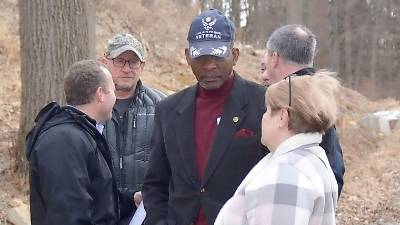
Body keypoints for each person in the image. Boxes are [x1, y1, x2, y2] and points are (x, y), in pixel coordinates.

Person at [142, 9, 266, 225]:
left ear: (234, 55)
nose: (209, 65)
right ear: (187, 56)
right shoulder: (168, 110)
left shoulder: (264, 104)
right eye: (201, 57)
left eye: (218, 55)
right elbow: (155, 184)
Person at [215, 71, 340, 225]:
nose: (263, 117)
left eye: (267, 110)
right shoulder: (312, 158)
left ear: (282, 117)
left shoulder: (285, 175)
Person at [25, 60, 119, 225]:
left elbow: (96, 203)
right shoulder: (63, 141)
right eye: (112, 90)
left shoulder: (82, 135)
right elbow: (68, 213)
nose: (115, 97)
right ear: (100, 94)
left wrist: (131, 199)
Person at [259, 24, 345, 195]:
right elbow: (335, 169)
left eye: (265, 64)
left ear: (274, 58)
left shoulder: (292, 102)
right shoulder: (319, 96)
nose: (263, 74)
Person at [100, 33, 166, 224]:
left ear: (142, 66)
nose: (127, 69)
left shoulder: (162, 105)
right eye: (120, 61)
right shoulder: (92, 105)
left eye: (134, 62)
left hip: (146, 212)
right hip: (101, 210)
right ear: (106, 62)